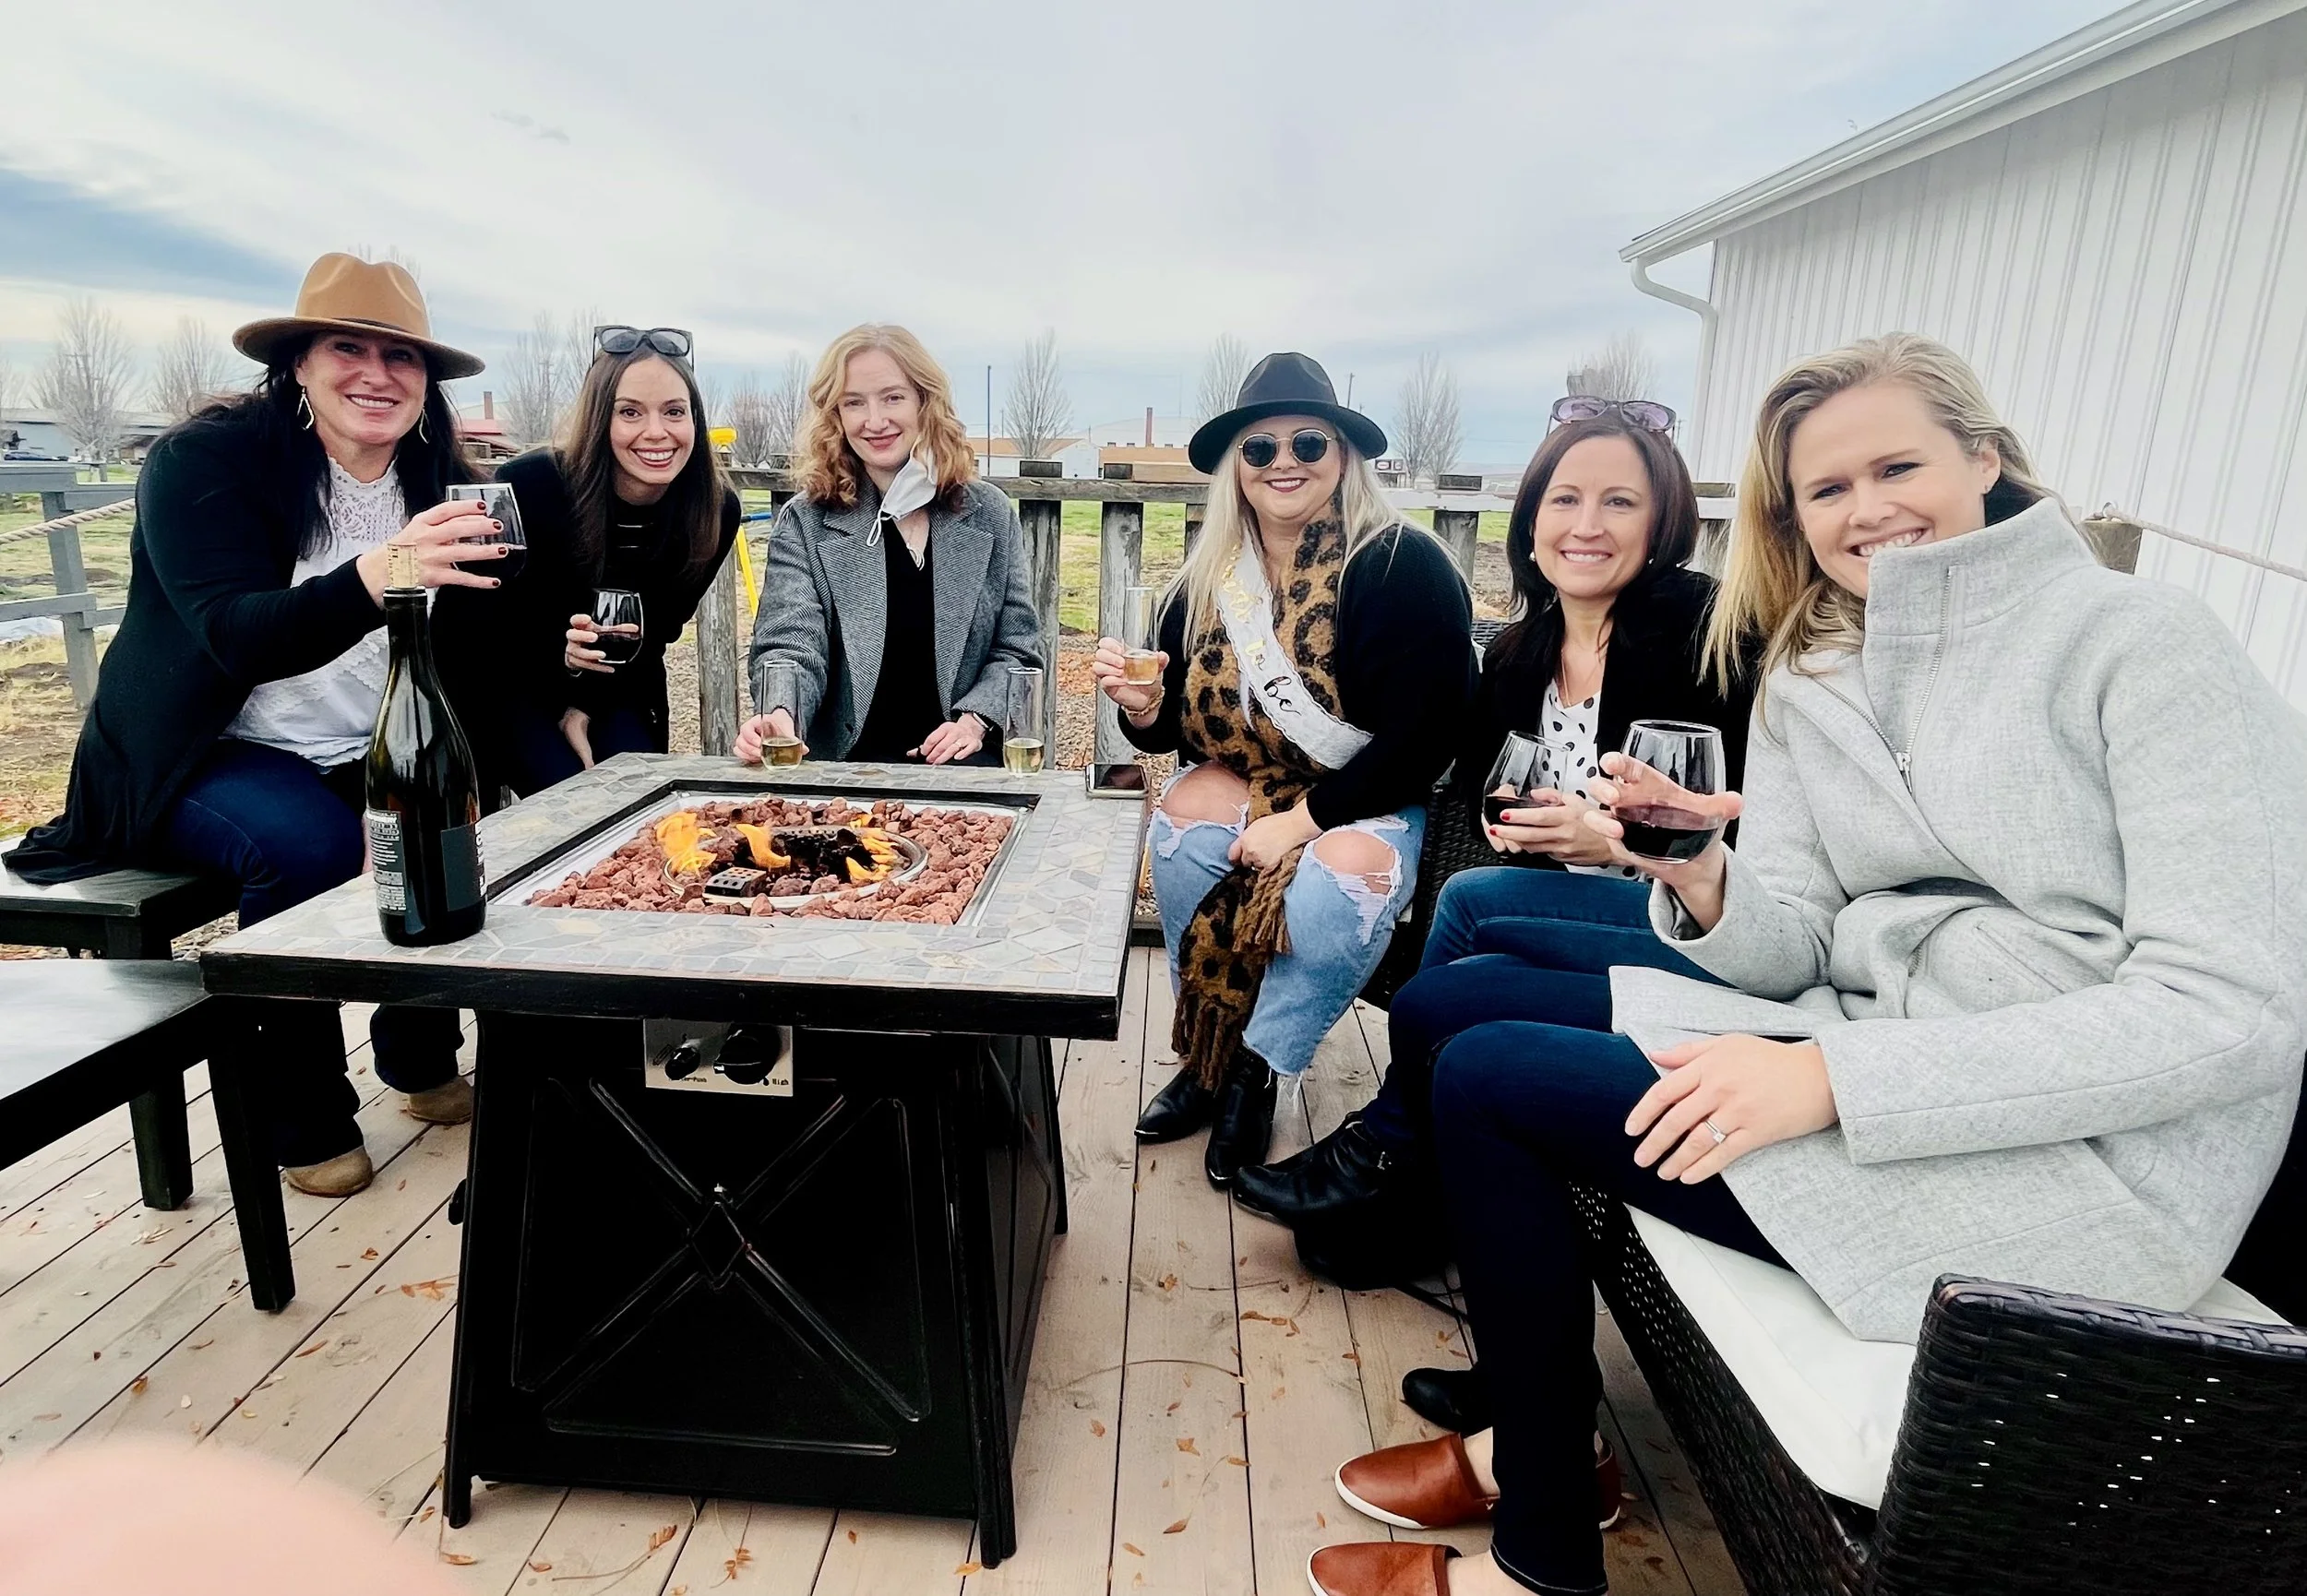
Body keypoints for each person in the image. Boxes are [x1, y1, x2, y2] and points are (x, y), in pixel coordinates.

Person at [1304, 332, 2307, 1596]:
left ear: (1985, 456)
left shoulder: (2144, 645)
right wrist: (1704, 879)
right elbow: (1808, 942)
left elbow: (2231, 1014)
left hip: (2086, 1164)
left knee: (1492, 1077)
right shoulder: (1823, 670)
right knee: (1455, 1009)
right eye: (1824, 490)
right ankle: (1540, 1445)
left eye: (1898, 465)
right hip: (1871, 1042)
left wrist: (1832, 1076)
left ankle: (1540, 1542)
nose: (1865, 509)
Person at [4, 254, 501, 1197]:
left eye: (401, 356)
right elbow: (235, 634)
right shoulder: (208, 461)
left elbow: (472, 631)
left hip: (359, 738)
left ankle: (419, 1055)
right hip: (205, 749)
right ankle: (301, 1116)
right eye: (347, 348)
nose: (376, 374)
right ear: (299, 365)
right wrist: (378, 571)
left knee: (443, 811)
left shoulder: (438, 478)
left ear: (425, 381)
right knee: (311, 845)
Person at [1233, 399, 1754, 1241]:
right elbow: (1475, 800)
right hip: (1561, 908)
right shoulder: (1518, 657)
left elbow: (1773, 821)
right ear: (1532, 520)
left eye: (1619, 501)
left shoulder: (1713, 633)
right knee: (1339, 1253)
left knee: (1471, 917)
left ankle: (1388, 1149)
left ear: (1662, 520)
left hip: (1705, 926)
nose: (1586, 525)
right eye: (1564, 499)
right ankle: (1411, 1159)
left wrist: (1618, 839)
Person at [1094, 351, 1475, 1188]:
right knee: (1186, 819)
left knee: (1338, 877)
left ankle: (1259, 1068)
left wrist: (1300, 825)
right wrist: (1143, 706)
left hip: (1371, 794)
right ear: (1237, 469)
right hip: (1259, 785)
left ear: (1343, 456)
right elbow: (1173, 745)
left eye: (1308, 441)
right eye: (1259, 449)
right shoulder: (1202, 581)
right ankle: (1212, 1056)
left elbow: (1427, 738)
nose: (1284, 461)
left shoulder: (1400, 565)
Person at [432, 326, 739, 795]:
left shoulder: (714, 509)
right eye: (630, 412)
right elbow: (461, 635)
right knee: (569, 798)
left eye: (674, 412)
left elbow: (657, 631)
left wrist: (586, 700)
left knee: (638, 798)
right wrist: (561, 663)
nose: (656, 432)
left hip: (620, 684)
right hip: (508, 685)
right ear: (600, 419)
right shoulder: (530, 487)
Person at [735, 324, 1040, 768]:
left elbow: (1016, 648)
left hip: (965, 766)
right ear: (835, 415)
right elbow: (789, 645)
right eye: (854, 402)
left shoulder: (989, 512)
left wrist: (973, 722)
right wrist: (782, 714)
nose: (874, 421)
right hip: (847, 771)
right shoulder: (807, 520)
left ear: (925, 401)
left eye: (892, 397)